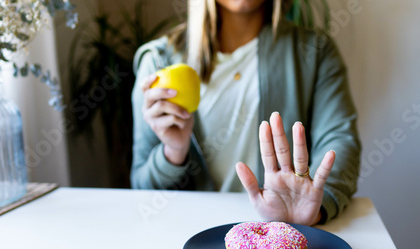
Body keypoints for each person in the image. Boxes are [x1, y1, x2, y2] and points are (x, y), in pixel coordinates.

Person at [131, 0, 361, 225]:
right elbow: (142, 188)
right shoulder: (157, 62)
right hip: (192, 238)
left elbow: (339, 141)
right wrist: (173, 151)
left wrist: (315, 208)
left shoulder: (315, 50)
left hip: (282, 235)